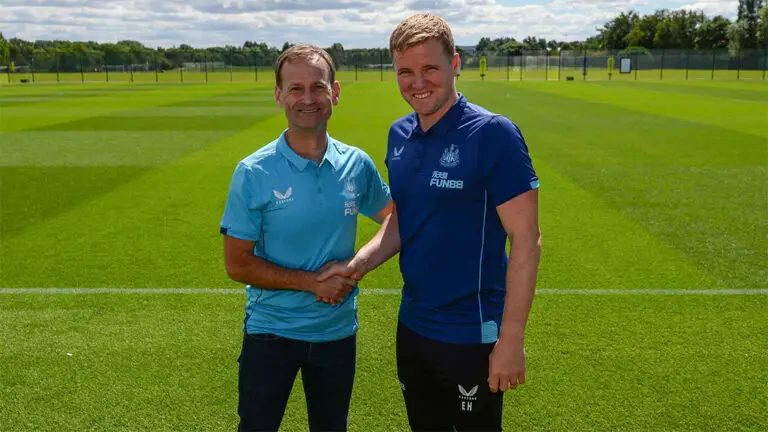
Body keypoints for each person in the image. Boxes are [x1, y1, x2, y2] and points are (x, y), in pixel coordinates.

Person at [318, 13, 541, 432]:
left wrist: (511, 340)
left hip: (471, 333)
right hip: (413, 328)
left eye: (430, 68)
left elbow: (527, 239)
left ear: (455, 64)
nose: (417, 82)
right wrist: (355, 266)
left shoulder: (492, 134)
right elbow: (403, 220)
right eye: (405, 71)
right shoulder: (399, 134)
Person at [220, 44, 392, 432]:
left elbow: (394, 219)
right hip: (271, 332)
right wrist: (310, 283)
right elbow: (237, 264)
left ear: (336, 92)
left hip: (337, 332)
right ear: (279, 95)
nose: (308, 98)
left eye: (318, 86)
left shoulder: (356, 164)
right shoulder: (253, 172)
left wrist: (355, 266)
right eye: (296, 89)